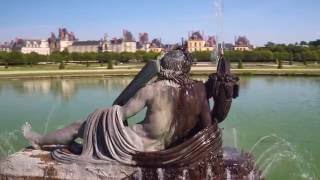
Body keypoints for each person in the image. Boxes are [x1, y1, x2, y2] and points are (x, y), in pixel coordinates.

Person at [22, 50, 213, 153]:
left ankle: (39, 140)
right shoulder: (197, 92)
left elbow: (120, 113)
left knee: (79, 126)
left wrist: (100, 113)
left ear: (163, 67)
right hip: (162, 146)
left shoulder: (153, 89)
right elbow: (207, 126)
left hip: (136, 143)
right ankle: (83, 145)